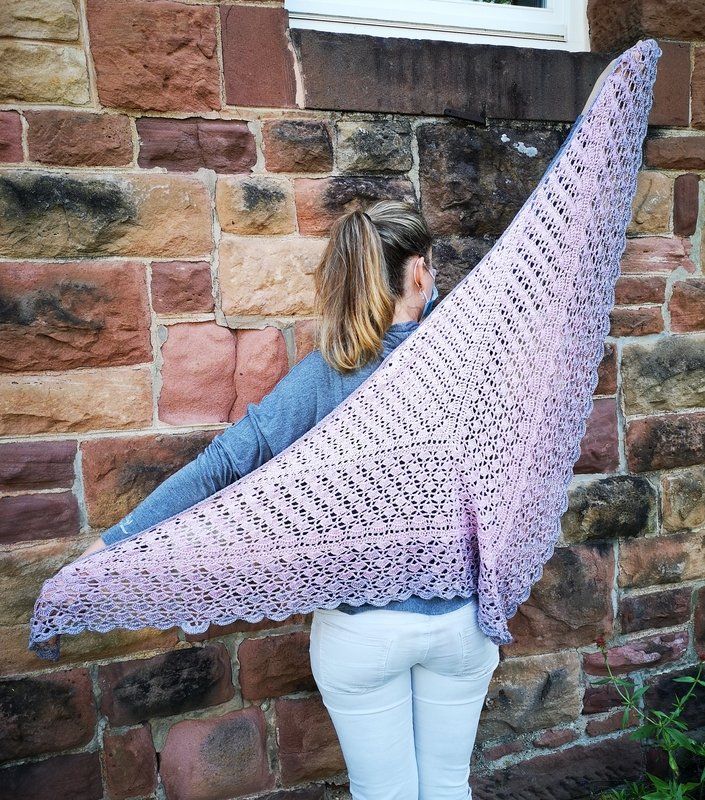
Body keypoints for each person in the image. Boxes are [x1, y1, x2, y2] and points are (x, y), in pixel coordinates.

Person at [74, 200, 500, 800]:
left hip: (363, 634)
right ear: (419, 271)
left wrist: (114, 542)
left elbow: (225, 464)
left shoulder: (327, 374)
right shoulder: (468, 364)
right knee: (449, 787)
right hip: (461, 623)